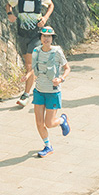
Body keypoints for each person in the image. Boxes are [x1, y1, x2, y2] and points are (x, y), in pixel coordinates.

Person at [6, 0, 54, 107]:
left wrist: (45, 18)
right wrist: (10, 14)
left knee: (29, 64)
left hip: (36, 34)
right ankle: (42, 78)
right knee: (29, 63)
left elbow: (51, 5)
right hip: (22, 33)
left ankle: (26, 94)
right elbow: (9, 5)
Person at [31, 25, 71, 158]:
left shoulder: (57, 52)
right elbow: (34, 68)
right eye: (44, 36)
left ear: (52, 38)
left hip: (53, 92)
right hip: (38, 91)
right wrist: (27, 75)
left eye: (49, 36)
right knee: (38, 123)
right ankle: (48, 146)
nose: (46, 39)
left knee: (49, 123)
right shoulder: (36, 51)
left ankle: (62, 120)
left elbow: (67, 68)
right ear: (40, 38)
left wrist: (61, 79)